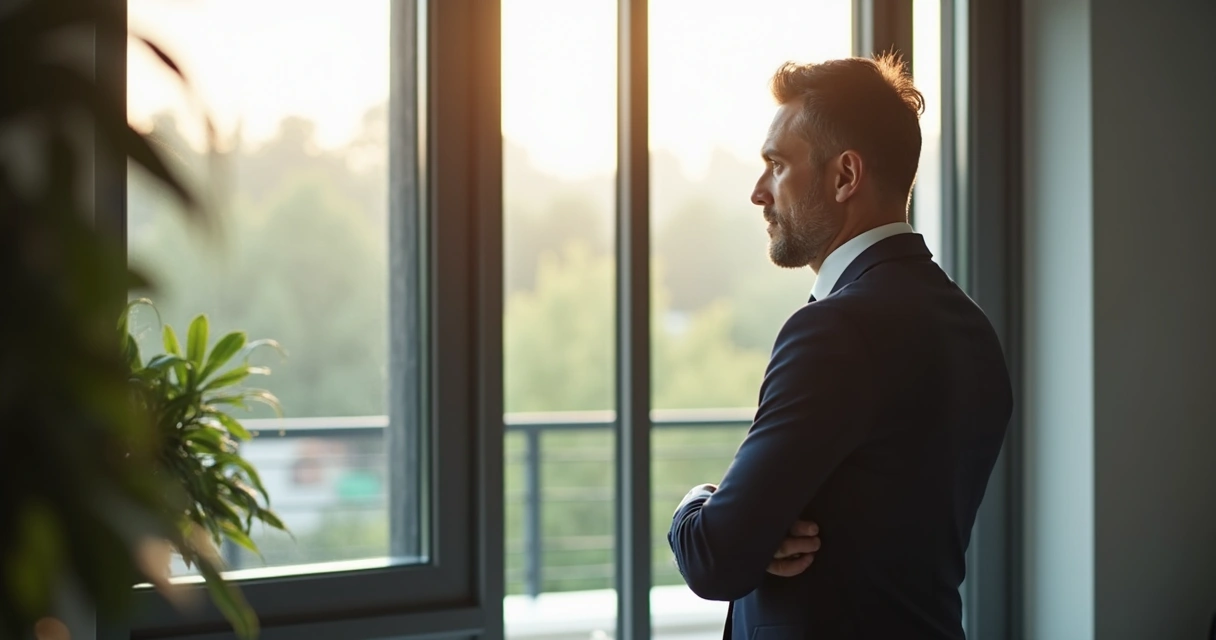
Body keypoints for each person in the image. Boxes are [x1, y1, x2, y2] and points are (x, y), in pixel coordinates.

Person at [667, 54, 1013, 639]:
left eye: (777, 165)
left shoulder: (833, 330)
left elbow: (716, 555)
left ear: (845, 176)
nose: (758, 192)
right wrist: (756, 527)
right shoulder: (972, 329)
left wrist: (696, 502)